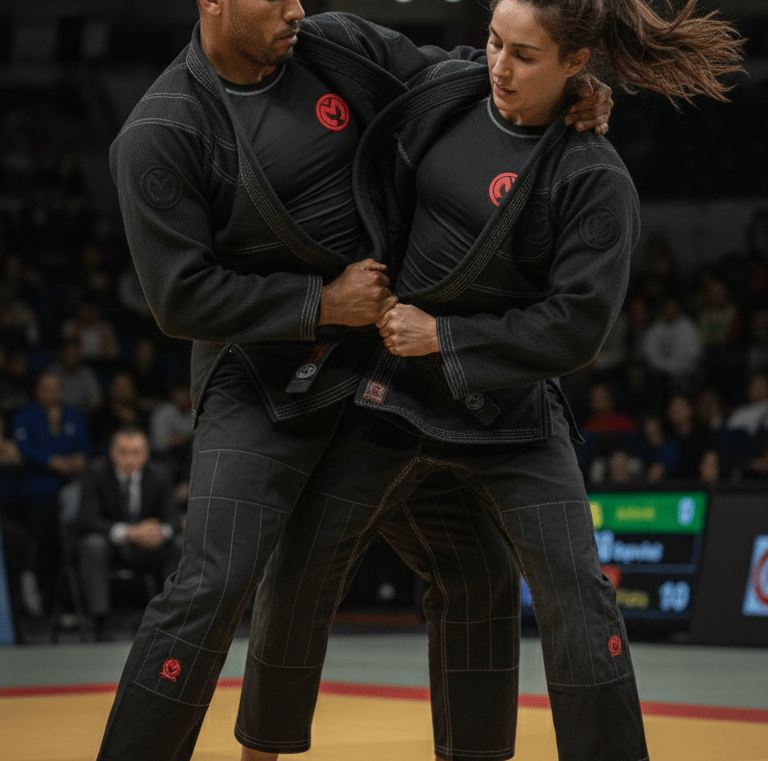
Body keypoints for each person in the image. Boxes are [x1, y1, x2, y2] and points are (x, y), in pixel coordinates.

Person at [96, 2, 614, 759]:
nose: (295, 9)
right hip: (262, 376)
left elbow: (450, 74)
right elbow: (180, 299)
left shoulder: (332, 46)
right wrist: (320, 303)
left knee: (477, 571)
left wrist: (573, 88)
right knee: (216, 578)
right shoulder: (160, 131)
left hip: (387, 365)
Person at [239, 1, 743, 760]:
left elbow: (575, 329)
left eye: (525, 56)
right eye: (493, 42)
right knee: (301, 561)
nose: (500, 67)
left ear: (577, 64)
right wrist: (269, 19)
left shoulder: (594, 178)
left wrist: (444, 336)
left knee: (578, 591)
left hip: (509, 414)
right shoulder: (450, 88)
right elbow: (348, 40)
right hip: (391, 397)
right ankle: (261, 751)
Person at [77, 426, 183, 640]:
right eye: (123, 452)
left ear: (146, 454)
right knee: (92, 545)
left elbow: (173, 519)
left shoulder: (159, 474)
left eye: (136, 452)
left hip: (147, 547)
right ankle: (100, 621)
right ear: (112, 452)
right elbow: (87, 520)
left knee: (179, 545)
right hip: (111, 546)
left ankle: (172, 617)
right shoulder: (95, 473)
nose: (129, 459)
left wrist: (159, 532)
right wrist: (130, 532)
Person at [11, 371, 90, 614]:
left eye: (56, 388)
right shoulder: (25, 416)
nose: (51, 393)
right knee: (41, 547)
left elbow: (83, 449)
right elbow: (25, 449)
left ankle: (64, 604)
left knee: (66, 549)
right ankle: (39, 603)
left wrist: (74, 461)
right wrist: (52, 461)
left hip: (69, 492)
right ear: (37, 391)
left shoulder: (73, 415)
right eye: (46, 388)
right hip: (37, 492)